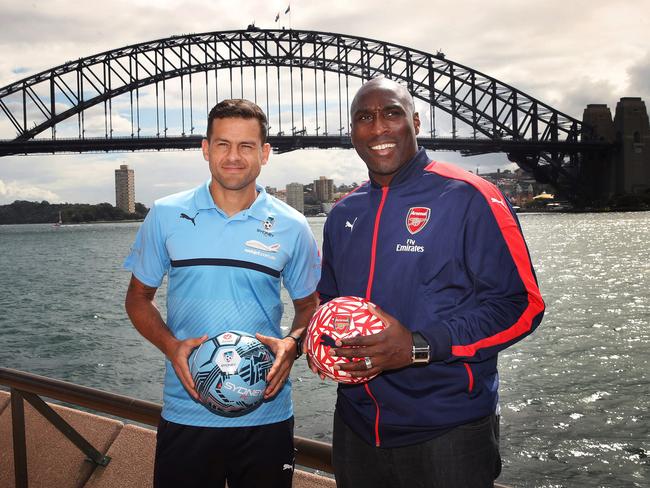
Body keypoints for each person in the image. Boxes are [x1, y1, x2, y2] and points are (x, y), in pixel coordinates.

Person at [315, 77, 545, 488]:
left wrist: (419, 346)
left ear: (416, 122)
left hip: (448, 430)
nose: (379, 128)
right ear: (352, 132)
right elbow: (330, 301)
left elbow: (520, 305)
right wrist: (318, 344)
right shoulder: (343, 212)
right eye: (364, 118)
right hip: (355, 427)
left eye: (392, 113)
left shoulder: (471, 196)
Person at [124, 99, 320, 488]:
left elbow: (309, 307)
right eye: (223, 144)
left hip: (267, 414)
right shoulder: (165, 215)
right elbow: (137, 298)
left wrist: (292, 345)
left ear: (264, 153)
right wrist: (170, 345)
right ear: (205, 148)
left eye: (247, 146)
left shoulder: (293, 225)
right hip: (186, 412)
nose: (234, 157)